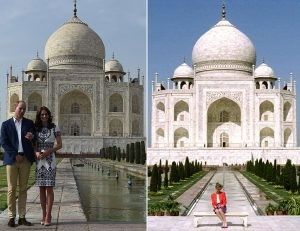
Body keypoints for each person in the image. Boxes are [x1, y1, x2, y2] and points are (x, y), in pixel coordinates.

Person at [0, 100, 35, 227]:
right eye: (20, 108)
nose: (22, 111)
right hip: (12, 159)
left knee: (23, 189)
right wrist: (15, 154)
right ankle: (11, 216)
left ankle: (22, 216)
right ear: (15, 107)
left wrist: (32, 137)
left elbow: (34, 138)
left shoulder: (29, 123)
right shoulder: (6, 124)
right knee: (11, 189)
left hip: (25, 159)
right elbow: (4, 142)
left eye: (24, 109)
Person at [34, 106, 62, 226]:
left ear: (49, 115)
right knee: (41, 188)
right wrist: (36, 152)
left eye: (46, 114)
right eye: (42, 114)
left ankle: (48, 215)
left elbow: (60, 145)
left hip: (50, 160)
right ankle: (44, 214)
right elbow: (33, 144)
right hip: (40, 161)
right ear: (39, 116)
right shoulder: (36, 129)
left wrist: (49, 151)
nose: (44, 116)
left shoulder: (55, 127)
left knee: (49, 188)